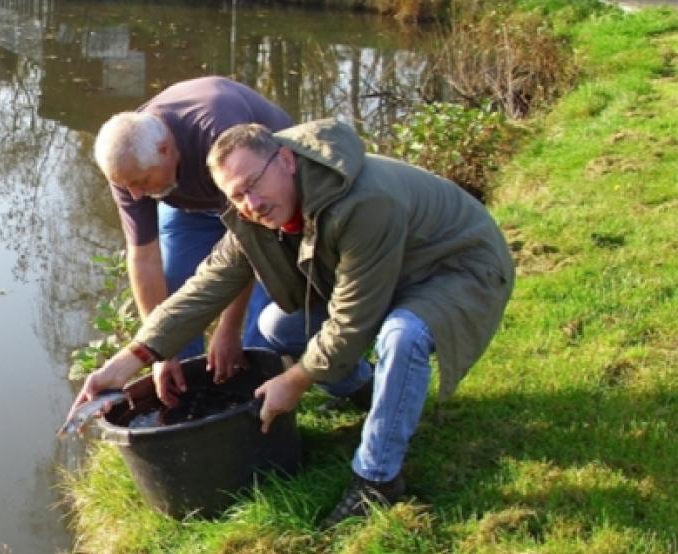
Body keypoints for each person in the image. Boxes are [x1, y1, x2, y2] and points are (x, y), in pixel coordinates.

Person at [69, 119, 515, 527]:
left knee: (403, 333)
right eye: (236, 196)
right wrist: (127, 363)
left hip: (457, 268)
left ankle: (376, 482)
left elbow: (352, 319)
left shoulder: (363, 203)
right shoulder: (258, 211)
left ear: (285, 159)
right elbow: (203, 289)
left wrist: (297, 380)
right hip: (392, 271)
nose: (252, 203)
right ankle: (371, 393)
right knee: (279, 324)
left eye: (253, 185)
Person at [93, 76, 291, 390]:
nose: (136, 196)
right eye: (127, 185)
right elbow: (143, 257)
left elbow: (250, 242)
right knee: (175, 289)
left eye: (142, 181)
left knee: (265, 307)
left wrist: (228, 329)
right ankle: (185, 390)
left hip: (260, 196)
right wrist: (159, 350)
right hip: (187, 202)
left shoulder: (219, 131)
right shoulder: (131, 162)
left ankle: (258, 395)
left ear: (165, 149)